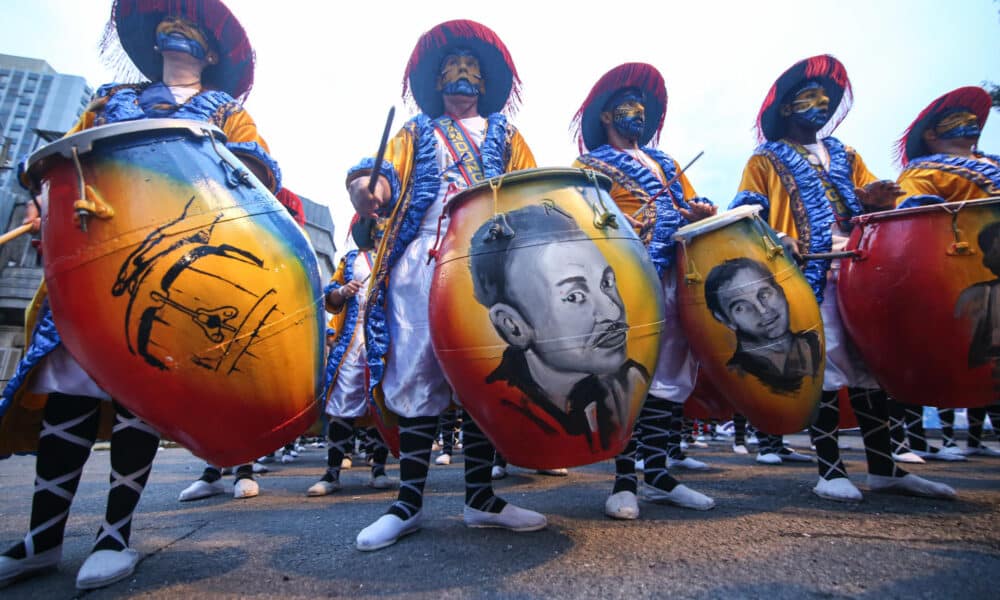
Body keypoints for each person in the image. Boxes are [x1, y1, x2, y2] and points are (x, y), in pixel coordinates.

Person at [0, 0, 280, 590]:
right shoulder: (110, 100)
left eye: (191, 32)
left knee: (141, 393)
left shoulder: (227, 112)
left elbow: (258, 175)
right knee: (70, 394)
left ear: (209, 53)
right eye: (168, 29)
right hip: (93, 260)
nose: (176, 36)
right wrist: (38, 195)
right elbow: (54, 165)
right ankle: (42, 537)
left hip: (177, 267)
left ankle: (115, 534)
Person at [345, 20, 546, 551]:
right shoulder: (416, 131)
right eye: (452, 68)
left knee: (487, 376)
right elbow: (385, 176)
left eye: (471, 68)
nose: (462, 75)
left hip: (494, 267)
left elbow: (532, 190)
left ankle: (480, 498)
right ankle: (407, 502)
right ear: (437, 82)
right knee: (416, 372)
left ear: (484, 81)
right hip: (423, 264)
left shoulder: (507, 134)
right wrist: (370, 187)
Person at [731, 54, 954, 502]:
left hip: (860, 266)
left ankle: (885, 469)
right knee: (827, 365)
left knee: (871, 365)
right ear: (787, 107)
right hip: (806, 273)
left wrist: (880, 198)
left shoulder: (846, 154)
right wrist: (776, 235)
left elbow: (884, 201)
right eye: (809, 96)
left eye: (826, 98)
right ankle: (829, 470)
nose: (820, 103)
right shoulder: (764, 158)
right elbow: (744, 210)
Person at [571, 63, 717, 519]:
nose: (639, 112)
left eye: (643, 107)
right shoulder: (588, 165)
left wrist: (698, 212)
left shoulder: (668, 163)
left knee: (669, 377)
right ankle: (622, 481)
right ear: (608, 117)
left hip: (677, 272)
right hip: (627, 275)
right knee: (627, 374)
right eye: (628, 106)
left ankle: (658, 474)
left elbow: (691, 209)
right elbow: (581, 218)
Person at [469, 204, 647, 452]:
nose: (613, 311)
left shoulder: (628, 382)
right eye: (574, 296)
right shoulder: (498, 401)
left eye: (607, 283)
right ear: (513, 326)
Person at [894, 86, 1000, 457]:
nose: (970, 125)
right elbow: (907, 208)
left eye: (973, 121)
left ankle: (974, 439)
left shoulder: (994, 162)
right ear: (931, 135)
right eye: (958, 121)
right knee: (947, 356)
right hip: (963, 270)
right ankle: (920, 441)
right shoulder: (921, 171)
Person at [307, 243, 397, 496]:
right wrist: (344, 291)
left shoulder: (397, 249)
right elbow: (330, 297)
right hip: (353, 339)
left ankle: (379, 470)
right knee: (340, 402)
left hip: (384, 338)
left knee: (381, 404)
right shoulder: (351, 259)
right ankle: (332, 473)